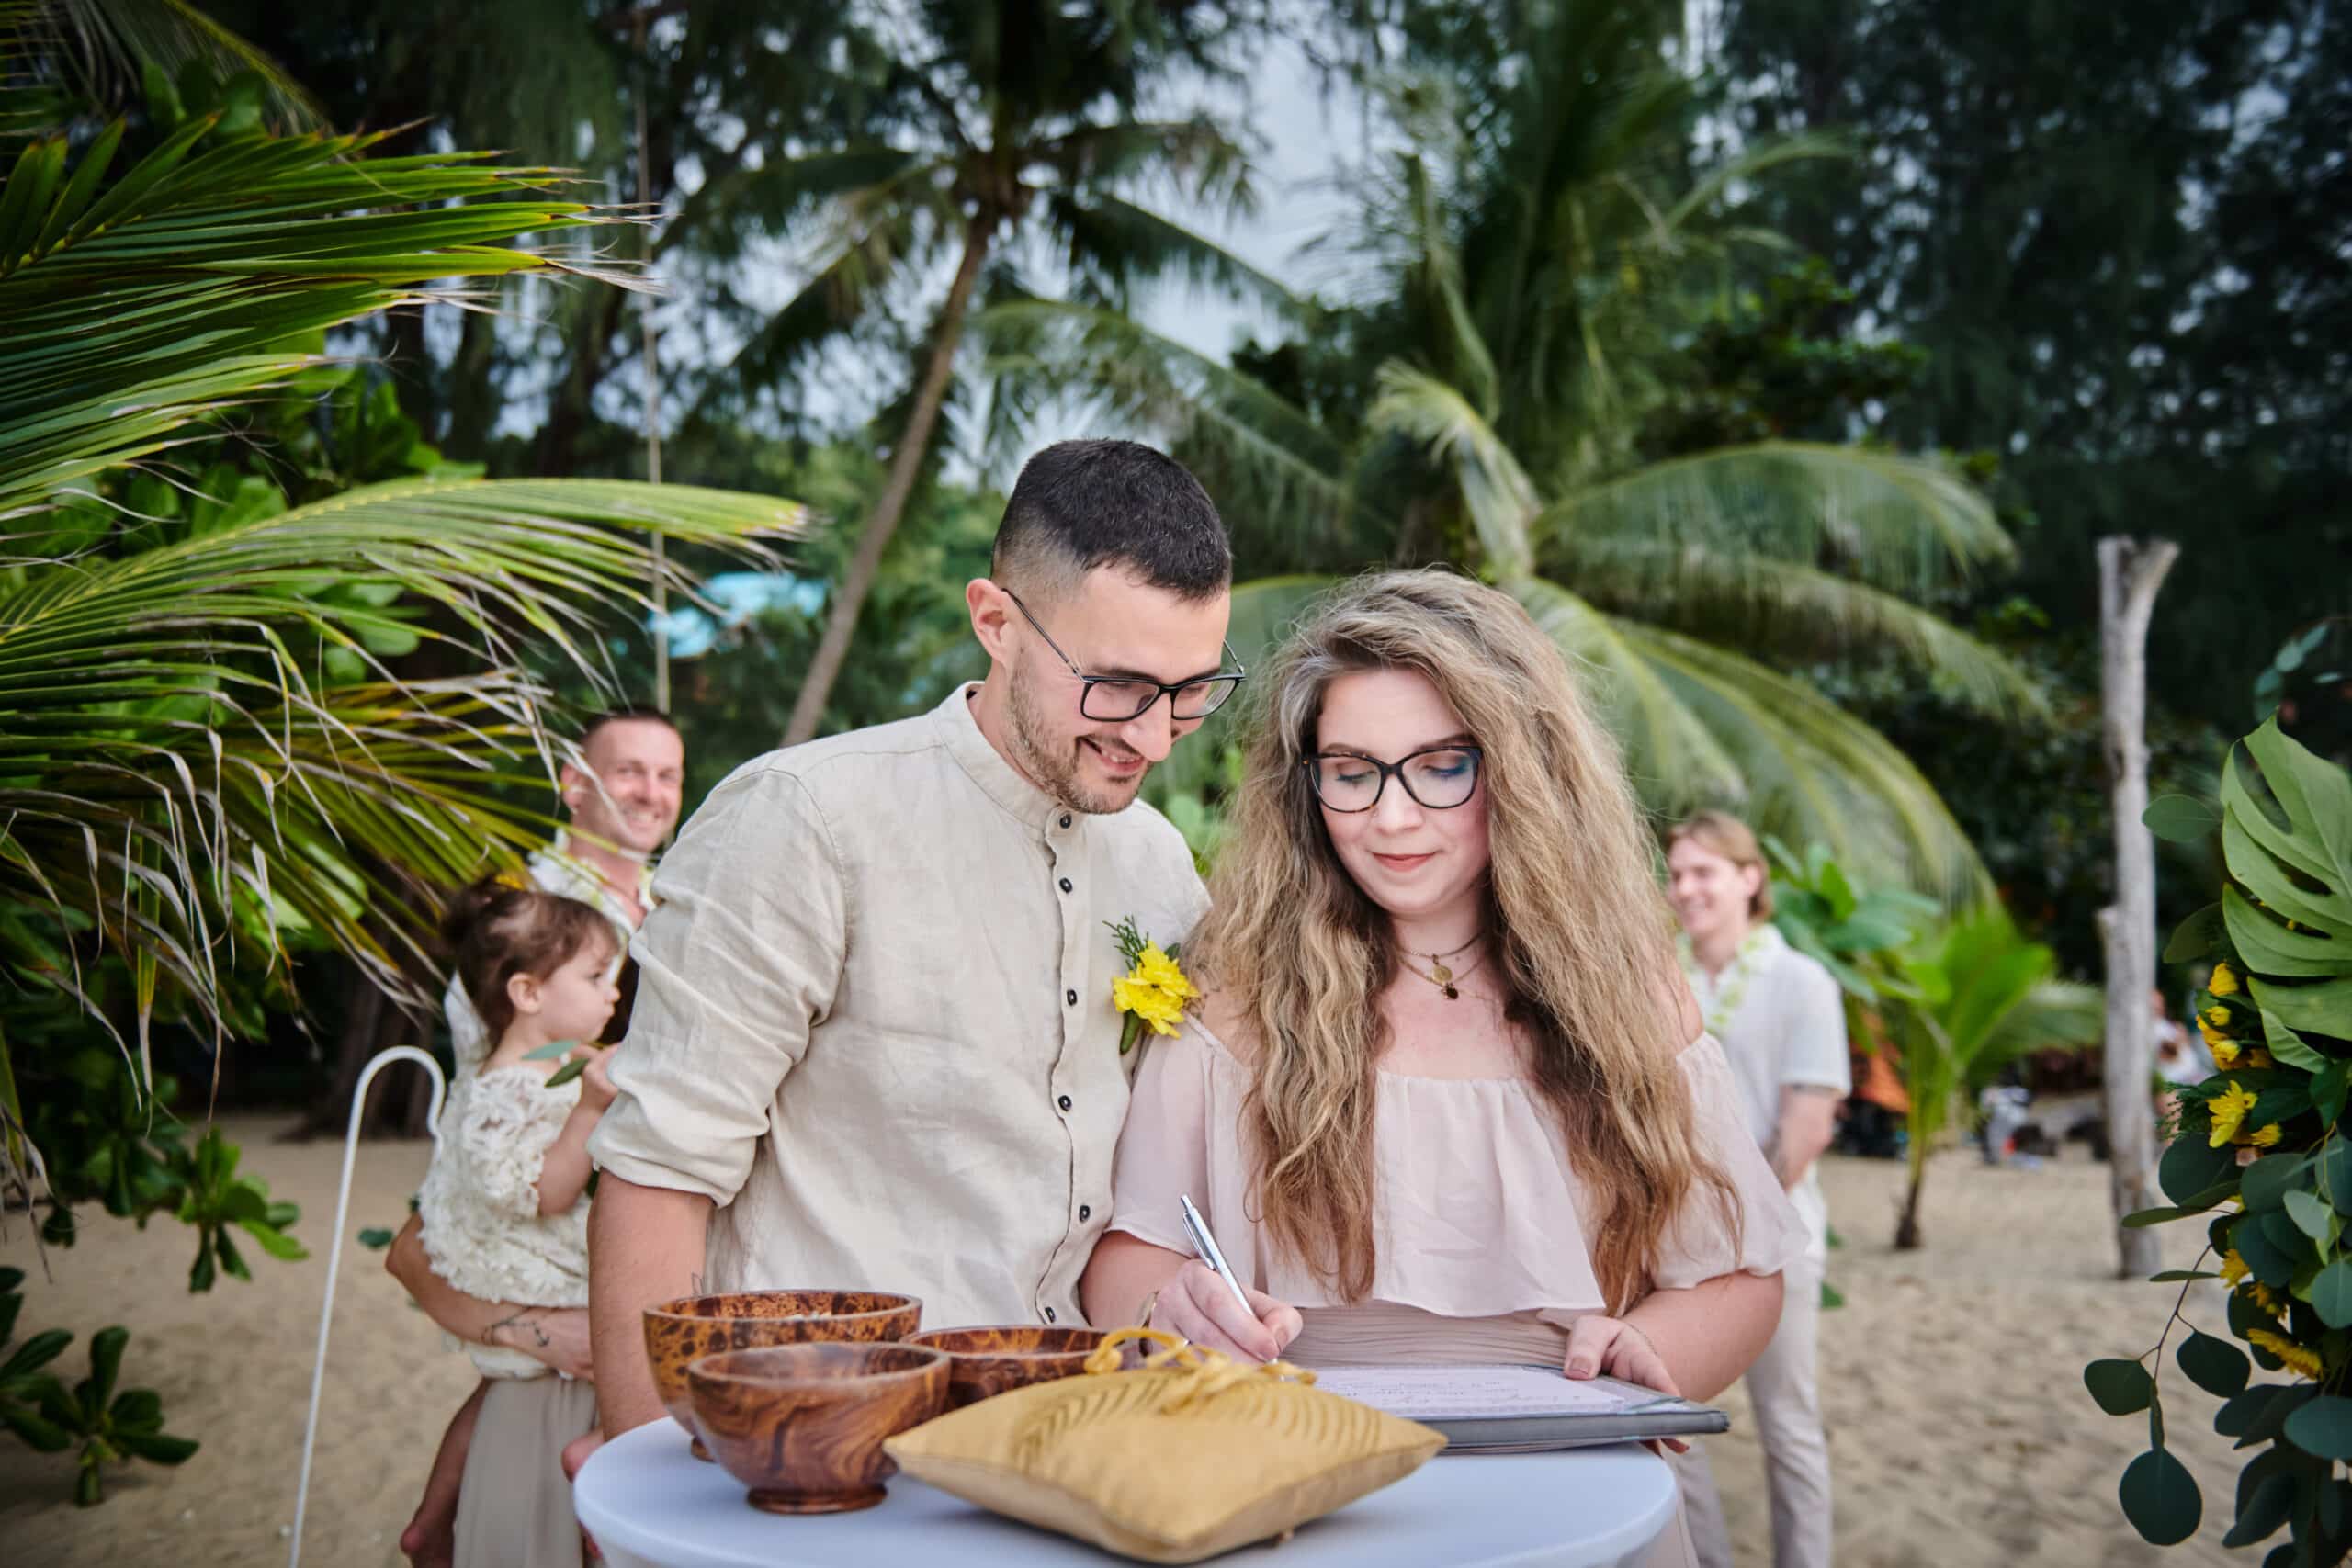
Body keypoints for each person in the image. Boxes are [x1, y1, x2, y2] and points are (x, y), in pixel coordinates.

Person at [1081, 571, 1805, 1568]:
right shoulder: (1233, 994)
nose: (1390, 818)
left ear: (1523, 769)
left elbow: (1739, 1280)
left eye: (1441, 766)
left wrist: (1659, 1353)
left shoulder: (1630, 998)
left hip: (1578, 1501)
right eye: (1352, 772)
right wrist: (1168, 1312)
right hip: (1298, 1497)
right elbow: (1131, 1255)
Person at [572, 438, 1238, 1470]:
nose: (1153, 739)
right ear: (996, 622)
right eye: (1115, 685)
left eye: (1191, 691)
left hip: (1069, 1449)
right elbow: (660, 1171)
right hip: (821, 1446)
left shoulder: (1156, 863)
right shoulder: (804, 819)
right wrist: (643, 1484)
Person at [390, 708, 684, 1568]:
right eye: (629, 771)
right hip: (541, 1158)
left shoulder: (676, 895)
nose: (651, 792)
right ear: (574, 783)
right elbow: (490, 1065)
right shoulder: (527, 909)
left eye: (668, 774)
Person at [413, 880, 623, 1568]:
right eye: (596, 977)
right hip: (530, 1274)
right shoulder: (504, 1087)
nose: (614, 993)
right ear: (528, 993)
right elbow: (545, 1193)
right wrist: (589, 1109)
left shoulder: (550, 1062)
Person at [1665, 810, 1848, 1568]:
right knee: (1668, 1421)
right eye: (1676, 873)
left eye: (1704, 872)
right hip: (1668, 1238)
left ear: (1750, 878)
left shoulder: (1802, 981)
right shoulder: (1658, 979)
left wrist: (1740, 1232)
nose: (1686, 888)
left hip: (1777, 1235)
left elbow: (1807, 1127)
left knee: (1787, 1423)